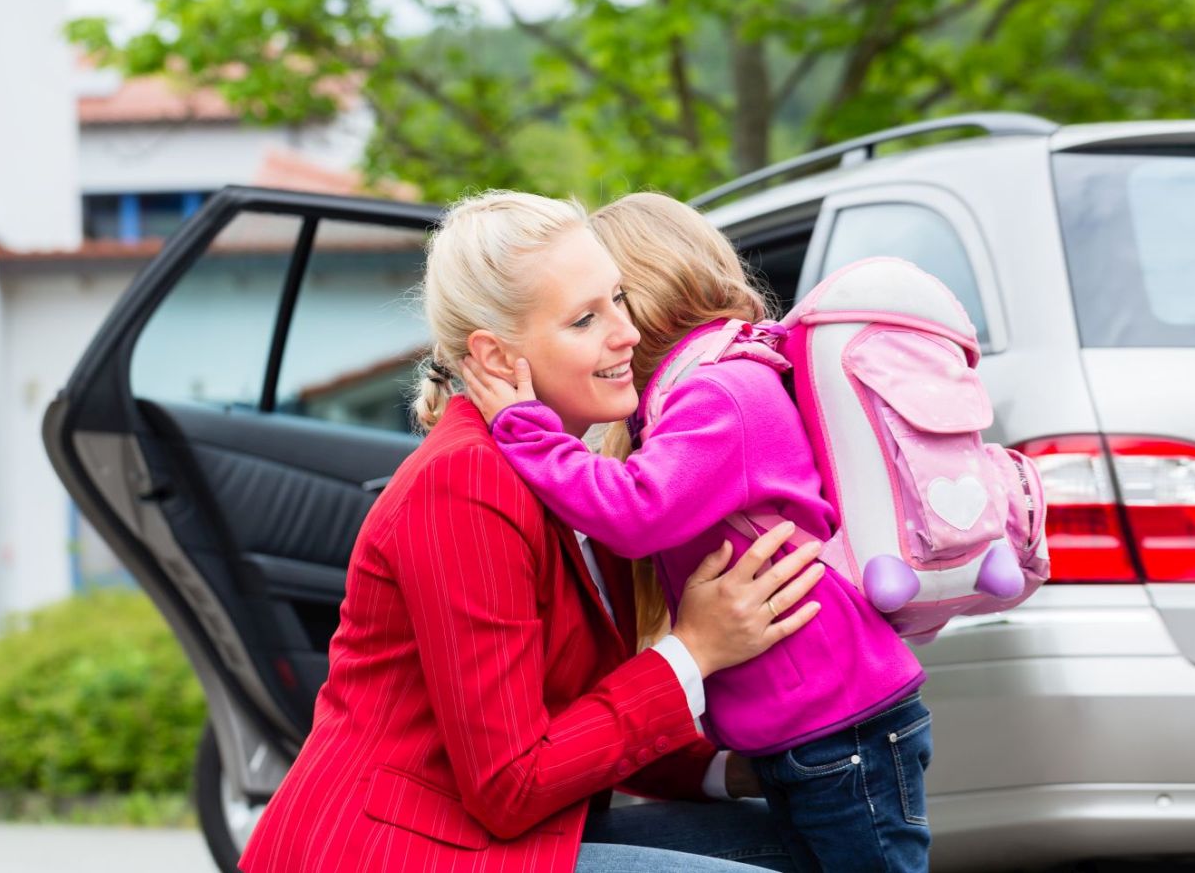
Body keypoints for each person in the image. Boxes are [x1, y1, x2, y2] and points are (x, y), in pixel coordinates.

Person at [238, 190, 826, 873]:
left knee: (812, 836)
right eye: (584, 319)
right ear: (493, 356)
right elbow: (511, 782)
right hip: (397, 853)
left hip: (503, 839)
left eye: (619, 300)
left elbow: (583, 721)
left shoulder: (579, 474)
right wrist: (692, 651)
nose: (626, 333)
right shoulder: (465, 483)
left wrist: (733, 770)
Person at [461, 192, 932, 873]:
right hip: (821, 729)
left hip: (841, 729)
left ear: (641, 296)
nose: (608, 329)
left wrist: (523, 427)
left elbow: (633, 512)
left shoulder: (720, 390)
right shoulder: (708, 383)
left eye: (607, 304)